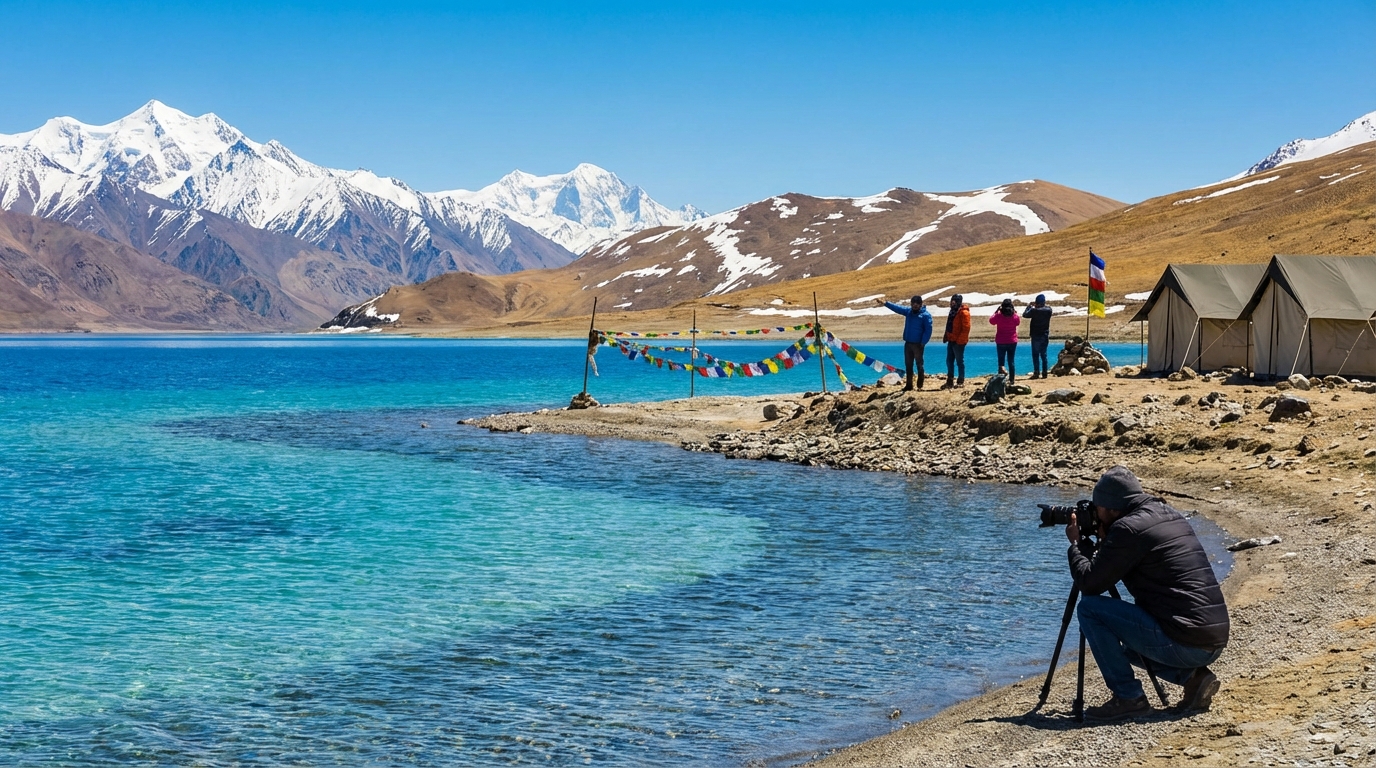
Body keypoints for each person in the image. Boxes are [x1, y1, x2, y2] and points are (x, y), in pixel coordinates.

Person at [1066, 466, 1230, 721]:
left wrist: (1076, 546)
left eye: (1097, 508)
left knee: (1090, 609)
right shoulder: (1168, 514)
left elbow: (1089, 584)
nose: (1095, 514)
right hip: (1211, 639)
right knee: (1127, 646)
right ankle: (1194, 678)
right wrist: (1106, 543)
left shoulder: (1128, 529)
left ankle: (1129, 698)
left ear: (1112, 508)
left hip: (1186, 643)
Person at [876, 295, 933, 390]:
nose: (915, 305)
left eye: (917, 303)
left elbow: (928, 330)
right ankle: (909, 385)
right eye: (913, 303)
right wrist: (886, 303)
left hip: (918, 344)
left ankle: (920, 381)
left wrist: (923, 342)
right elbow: (897, 308)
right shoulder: (908, 312)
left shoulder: (925, 315)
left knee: (919, 364)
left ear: (921, 304)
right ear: (911, 304)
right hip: (908, 343)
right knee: (908, 365)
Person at [988, 298, 1021, 384]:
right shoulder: (1014, 316)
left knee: (1001, 361)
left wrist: (996, 312)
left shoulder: (999, 316)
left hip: (1001, 341)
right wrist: (1015, 312)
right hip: (1012, 340)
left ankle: (1000, 380)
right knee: (1011, 361)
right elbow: (1018, 322)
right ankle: (1012, 380)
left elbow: (991, 321)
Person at [942, 294, 970, 389]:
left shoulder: (964, 313)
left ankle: (960, 380)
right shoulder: (953, 311)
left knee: (959, 361)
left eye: (954, 301)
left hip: (959, 342)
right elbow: (949, 325)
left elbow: (966, 329)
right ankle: (950, 380)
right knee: (949, 361)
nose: (952, 303)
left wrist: (959, 341)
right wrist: (946, 335)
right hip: (951, 340)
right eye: (952, 301)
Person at [1022, 294, 1054, 379]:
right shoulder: (1049, 310)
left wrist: (1029, 306)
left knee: (1035, 355)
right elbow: (1048, 308)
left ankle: (1036, 372)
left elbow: (1025, 315)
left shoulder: (1034, 311)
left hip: (1035, 335)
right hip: (1044, 335)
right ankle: (1044, 373)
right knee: (1044, 354)